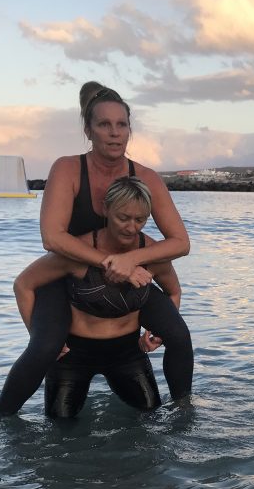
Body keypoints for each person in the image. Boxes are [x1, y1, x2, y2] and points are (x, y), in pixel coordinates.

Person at [0, 82, 193, 415]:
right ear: (88, 130)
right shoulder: (69, 168)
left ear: (129, 130)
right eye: (104, 124)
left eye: (122, 125)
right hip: (68, 273)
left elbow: (180, 242)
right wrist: (108, 261)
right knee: (43, 347)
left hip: (124, 277)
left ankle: (184, 414)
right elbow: (52, 238)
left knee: (179, 334)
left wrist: (130, 260)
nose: (114, 133)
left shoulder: (146, 177)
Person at [13, 177, 179, 417]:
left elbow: (173, 292)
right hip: (73, 355)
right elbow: (23, 285)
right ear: (105, 209)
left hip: (128, 354)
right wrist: (39, 338)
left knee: (151, 420)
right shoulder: (78, 250)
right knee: (60, 433)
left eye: (140, 219)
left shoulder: (151, 252)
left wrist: (157, 333)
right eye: (123, 218)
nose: (131, 228)